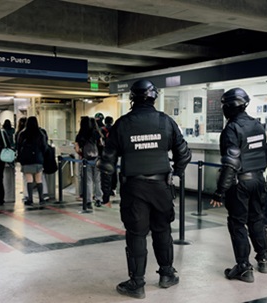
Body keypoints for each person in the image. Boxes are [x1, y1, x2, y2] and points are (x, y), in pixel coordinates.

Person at [96, 79, 191, 299]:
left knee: (136, 234)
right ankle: (167, 274)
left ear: (132, 99)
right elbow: (184, 154)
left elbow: (107, 163)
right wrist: (176, 173)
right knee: (162, 230)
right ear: (154, 97)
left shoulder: (122, 124)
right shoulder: (166, 122)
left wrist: (106, 191)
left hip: (134, 187)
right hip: (161, 186)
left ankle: (137, 284)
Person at [210, 88, 267, 283]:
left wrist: (219, 192)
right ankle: (263, 258)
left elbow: (231, 163)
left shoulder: (232, 129)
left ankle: (244, 268)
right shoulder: (257, 125)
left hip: (240, 183)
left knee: (237, 223)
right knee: (256, 218)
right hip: (259, 179)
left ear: (229, 107)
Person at [16, 116, 48, 206]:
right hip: (38, 159)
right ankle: (41, 198)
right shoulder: (40, 133)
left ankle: (30, 199)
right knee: (39, 179)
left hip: (26, 160)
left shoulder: (22, 134)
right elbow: (44, 147)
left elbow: (18, 147)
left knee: (29, 179)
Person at [74, 116, 103, 210]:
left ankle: (88, 201)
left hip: (86, 160)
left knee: (88, 181)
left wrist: (81, 154)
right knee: (98, 180)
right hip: (97, 159)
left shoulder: (80, 135)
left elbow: (77, 149)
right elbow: (101, 145)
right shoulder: (96, 133)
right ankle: (98, 199)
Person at [103, 116, 118, 198]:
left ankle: (106, 190)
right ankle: (113, 188)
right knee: (113, 171)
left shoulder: (102, 130)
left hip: (105, 153)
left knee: (105, 172)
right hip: (114, 153)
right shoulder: (114, 129)